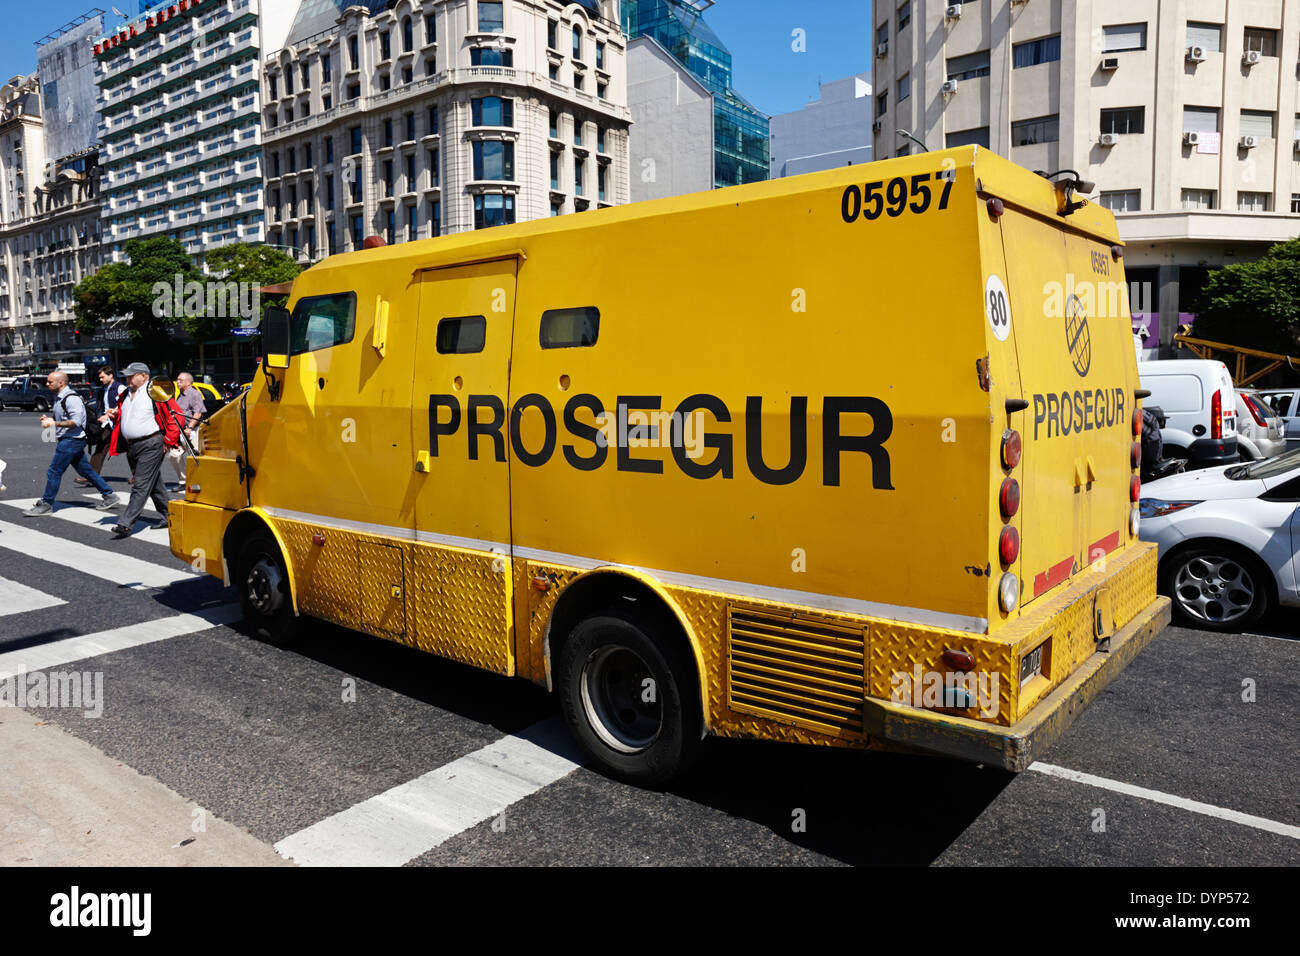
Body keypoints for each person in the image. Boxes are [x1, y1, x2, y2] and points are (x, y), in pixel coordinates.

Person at [22, 371, 120, 517]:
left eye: (50, 382)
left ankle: (47, 503)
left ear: (61, 383)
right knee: (86, 471)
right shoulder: (59, 397)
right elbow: (64, 417)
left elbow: (76, 422)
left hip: (72, 440)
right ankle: (109, 495)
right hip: (69, 439)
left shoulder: (71, 398)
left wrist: (54, 423)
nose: (47, 384)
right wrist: (49, 419)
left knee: (54, 471)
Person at [107, 362, 181, 539]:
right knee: (153, 484)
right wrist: (116, 415)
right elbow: (130, 415)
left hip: (152, 443)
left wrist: (169, 440)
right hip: (132, 445)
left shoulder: (156, 391)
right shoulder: (126, 393)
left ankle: (125, 523)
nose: (127, 379)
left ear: (144, 376)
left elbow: (175, 415)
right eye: (126, 376)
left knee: (140, 484)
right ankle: (170, 517)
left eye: (131, 376)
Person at [80, 366, 125, 483]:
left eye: (102, 377)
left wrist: (113, 411)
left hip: (120, 424)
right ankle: (91, 476)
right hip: (107, 425)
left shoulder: (120, 388)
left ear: (111, 375)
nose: (100, 380)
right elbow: (100, 406)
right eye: (99, 378)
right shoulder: (102, 390)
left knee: (131, 451)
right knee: (100, 448)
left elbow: (125, 403)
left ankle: (138, 477)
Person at [168, 371, 206, 485]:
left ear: (189, 383)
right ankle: (184, 481)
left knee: (194, 457)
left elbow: (198, 413)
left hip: (193, 430)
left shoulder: (195, 394)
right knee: (174, 455)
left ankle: (199, 482)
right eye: (177, 380)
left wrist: (189, 428)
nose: (177, 382)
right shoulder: (179, 395)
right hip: (181, 431)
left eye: (181, 380)